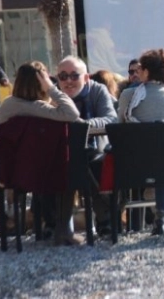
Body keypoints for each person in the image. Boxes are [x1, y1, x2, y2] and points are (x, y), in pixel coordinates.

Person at [0, 61, 81, 245]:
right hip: (45, 173)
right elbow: (73, 114)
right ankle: (63, 230)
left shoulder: (6, 106)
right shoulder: (41, 109)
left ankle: (45, 226)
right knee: (66, 171)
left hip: (12, 173)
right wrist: (52, 89)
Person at [117, 49, 164, 236]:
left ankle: (114, 217)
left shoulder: (128, 95)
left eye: (140, 68)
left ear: (146, 72)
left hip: (133, 163)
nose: (137, 72)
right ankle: (161, 218)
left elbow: (120, 124)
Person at [56, 56, 118, 237]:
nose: (68, 81)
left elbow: (110, 118)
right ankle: (55, 222)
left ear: (86, 78)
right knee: (57, 165)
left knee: (87, 162)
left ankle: (103, 219)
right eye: (63, 76)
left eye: (74, 76)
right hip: (60, 151)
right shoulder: (54, 94)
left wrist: (82, 126)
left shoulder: (98, 91)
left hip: (94, 148)